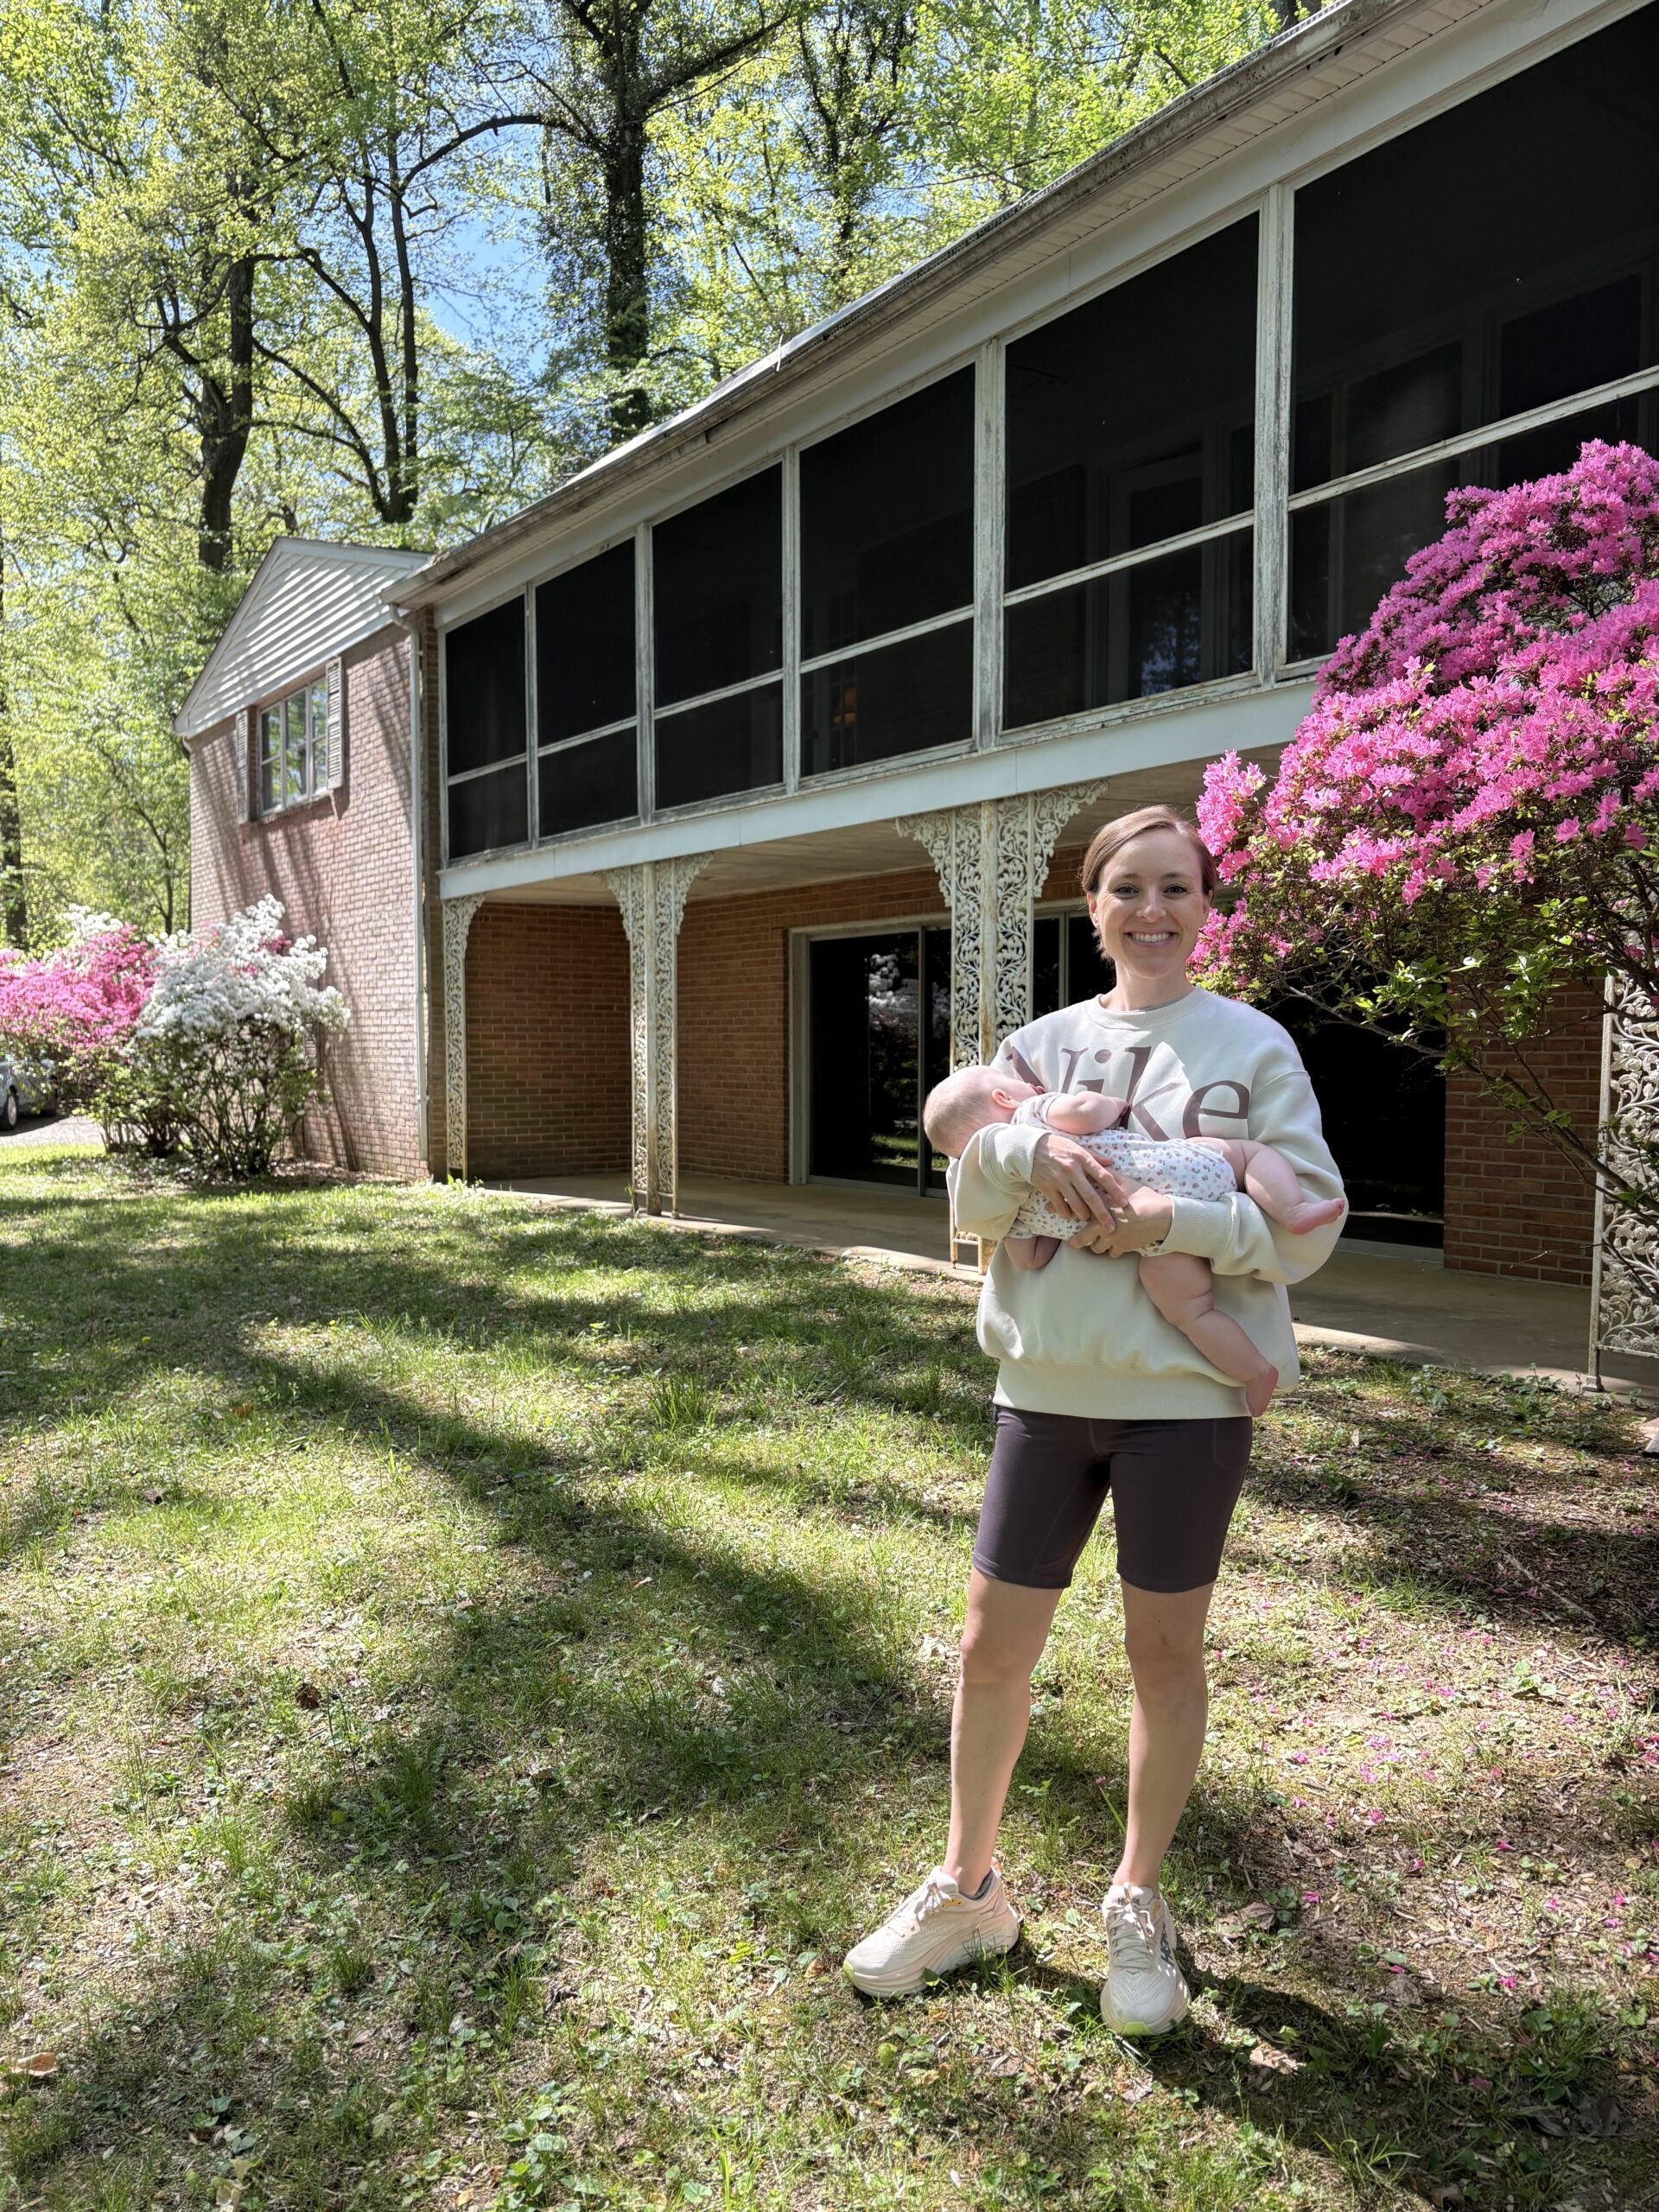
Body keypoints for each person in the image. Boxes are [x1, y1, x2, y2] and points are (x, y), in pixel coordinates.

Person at [842, 804, 1346, 2031]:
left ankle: (1136, 1897)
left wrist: (1174, 1225)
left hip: (1183, 1407)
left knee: (1162, 1658)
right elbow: (968, 1202)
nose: (1152, 911)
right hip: (1044, 1394)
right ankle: (968, 1889)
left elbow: (1310, 1230)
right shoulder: (1042, 1043)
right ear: (1095, 903)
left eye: (1176, 887)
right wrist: (1022, 1150)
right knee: (987, 1650)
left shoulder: (1253, 1045)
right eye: (1128, 888)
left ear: (1205, 906)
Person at [924, 1066, 1344, 1414]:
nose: (1032, 1086)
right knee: (1248, 1155)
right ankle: (1292, 1209)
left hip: (1149, 1243)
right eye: (1018, 1084)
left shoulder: (1013, 1211)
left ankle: (1254, 1371)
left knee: (1192, 1313)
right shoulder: (1033, 1113)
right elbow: (1086, 1111)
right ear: (1004, 1097)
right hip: (1183, 1171)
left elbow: (1030, 1260)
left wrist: (1061, 1229)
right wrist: (1113, 1105)